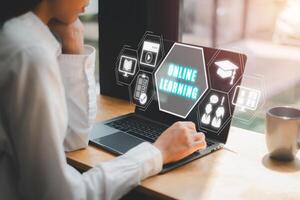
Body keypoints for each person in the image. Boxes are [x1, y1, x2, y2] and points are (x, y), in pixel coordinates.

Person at [0, 0, 207, 199]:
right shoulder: (30, 55)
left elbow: (72, 138)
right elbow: (61, 196)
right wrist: (157, 153)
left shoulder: (20, 34)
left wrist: (74, 44)